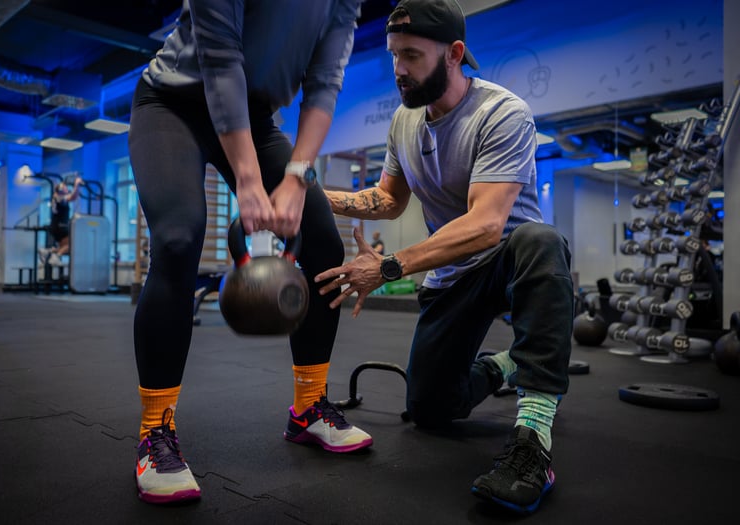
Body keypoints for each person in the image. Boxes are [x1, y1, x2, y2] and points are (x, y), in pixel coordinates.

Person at [315, 0, 573, 515]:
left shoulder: (502, 113)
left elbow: (485, 225)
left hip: (507, 261)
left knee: (542, 240)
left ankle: (533, 441)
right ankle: (507, 365)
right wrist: (316, 198)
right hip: (452, 278)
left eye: (411, 55)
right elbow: (389, 198)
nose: (399, 70)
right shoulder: (403, 122)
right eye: (394, 56)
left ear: (454, 54)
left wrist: (388, 266)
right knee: (430, 409)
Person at [127, 0, 371, 505]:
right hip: (173, 104)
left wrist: (298, 177)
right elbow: (221, 61)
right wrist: (249, 180)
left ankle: (308, 408)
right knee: (178, 237)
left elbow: (325, 82)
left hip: (254, 115)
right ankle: (156, 433)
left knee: (324, 237)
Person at [38, 176, 83, 267]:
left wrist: (76, 188)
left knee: (64, 246)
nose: (67, 189)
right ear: (61, 190)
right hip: (60, 226)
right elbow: (73, 197)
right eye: (65, 188)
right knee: (72, 244)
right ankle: (55, 256)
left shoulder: (56, 197)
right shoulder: (59, 197)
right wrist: (77, 184)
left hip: (57, 226)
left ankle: (48, 251)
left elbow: (73, 196)